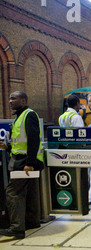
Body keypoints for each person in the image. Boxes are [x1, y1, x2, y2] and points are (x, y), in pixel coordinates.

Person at [0, 91, 44, 239]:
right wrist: (8, 147)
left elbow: (33, 139)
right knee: (30, 192)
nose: (10, 101)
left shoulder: (29, 114)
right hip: (22, 159)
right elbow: (20, 141)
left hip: (24, 161)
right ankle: (32, 222)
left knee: (13, 193)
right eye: (9, 98)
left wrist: (30, 163)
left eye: (13, 98)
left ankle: (17, 228)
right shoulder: (19, 116)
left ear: (23, 101)